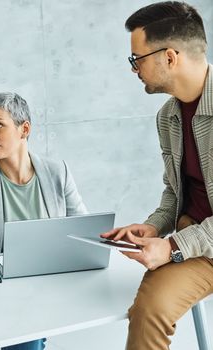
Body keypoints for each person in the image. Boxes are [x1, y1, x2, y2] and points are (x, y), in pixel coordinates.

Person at [101, 2, 213, 349]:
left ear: (169, 56)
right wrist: (154, 227)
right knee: (150, 311)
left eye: (137, 58)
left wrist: (172, 247)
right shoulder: (168, 117)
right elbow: (174, 191)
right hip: (198, 243)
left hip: (191, 242)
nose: (133, 68)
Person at [0, 92, 87, 350]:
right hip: (3, 290)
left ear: (24, 129)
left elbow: (83, 231)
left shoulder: (57, 172)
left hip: (50, 280)